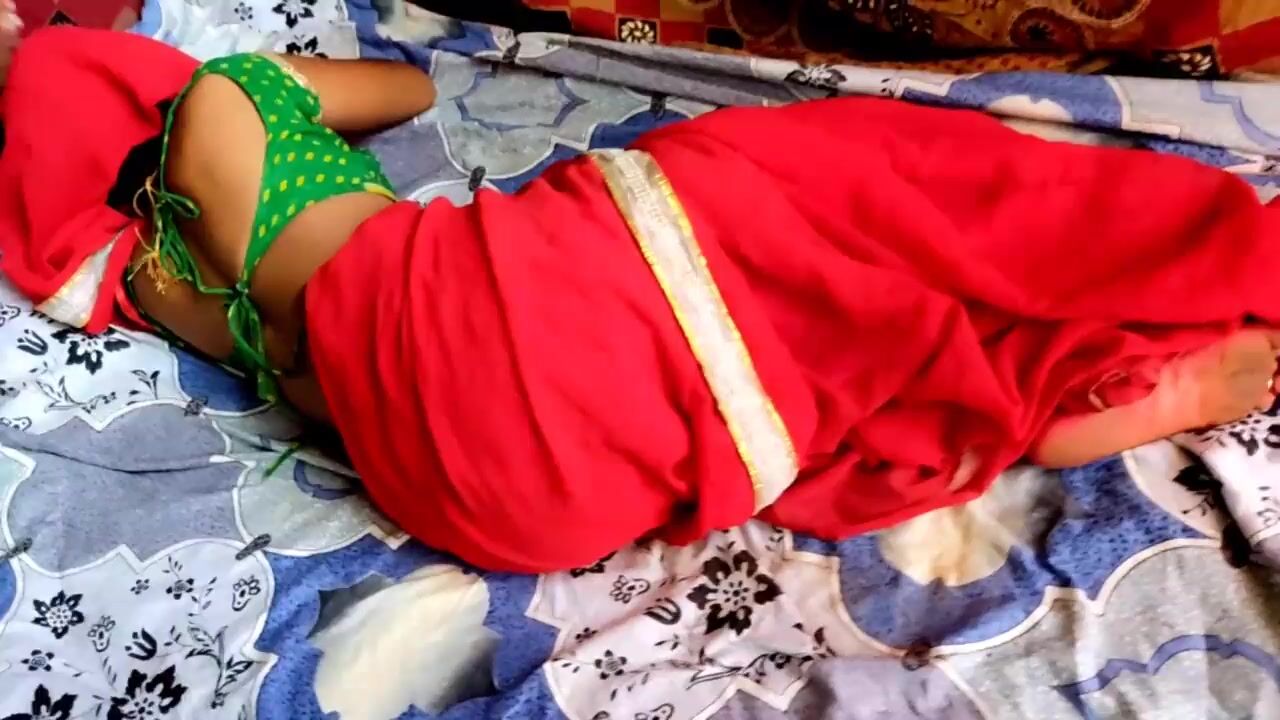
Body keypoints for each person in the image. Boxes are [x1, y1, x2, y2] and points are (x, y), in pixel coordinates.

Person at [3, 23, 1278, 573]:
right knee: (842, 185)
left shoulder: (144, 283)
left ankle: (1015, 392)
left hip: (487, 499)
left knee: (753, 346)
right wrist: (256, 84)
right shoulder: (224, 110)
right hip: (491, 327)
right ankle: (1148, 291)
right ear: (116, 76)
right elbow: (406, 90)